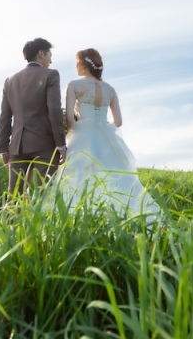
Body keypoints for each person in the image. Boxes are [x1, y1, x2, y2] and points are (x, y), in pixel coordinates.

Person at [49, 48, 160, 219]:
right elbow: (119, 121)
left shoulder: (74, 85)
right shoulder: (110, 89)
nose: (76, 66)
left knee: (78, 175)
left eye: (76, 63)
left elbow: (70, 118)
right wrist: (103, 127)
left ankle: (79, 216)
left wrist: (75, 131)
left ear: (83, 65)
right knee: (115, 176)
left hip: (83, 134)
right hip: (106, 134)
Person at [0, 37, 67, 201]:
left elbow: (5, 117)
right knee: (42, 196)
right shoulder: (50, 74)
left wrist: (3, 148)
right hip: (44, 146)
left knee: (14, 198)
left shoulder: (10, 81)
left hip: (17, 147)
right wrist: (61, 144)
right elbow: (54, 110)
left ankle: (11, 227)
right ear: (41, 54)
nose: (51, 59)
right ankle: (39, 227)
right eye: (50, 54)